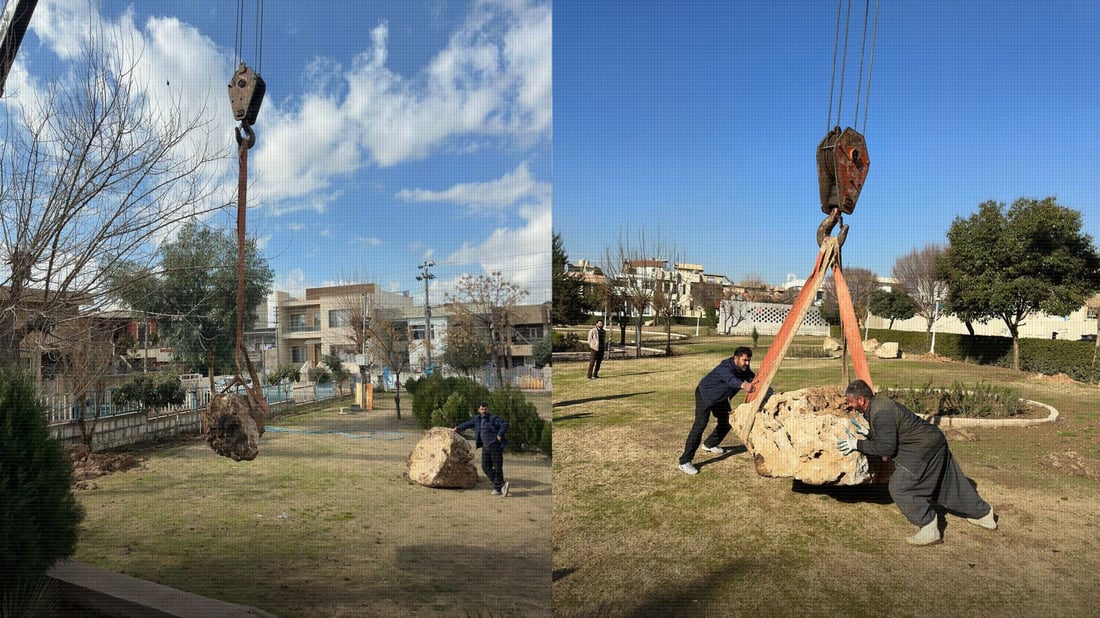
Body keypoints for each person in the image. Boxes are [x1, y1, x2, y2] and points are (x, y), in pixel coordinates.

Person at [838, 379, 997, 545]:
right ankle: (984, 515)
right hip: (933, 440)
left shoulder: (880, 413)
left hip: (923, 448)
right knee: (947, 485)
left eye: (850, 401)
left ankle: (929, 527)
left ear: (861, 400)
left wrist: (857, 444)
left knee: (900, 487)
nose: (849, 405)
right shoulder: (879, 404)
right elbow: (891, 433)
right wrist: (871, 434)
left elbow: (887, 449)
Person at [678, 346, 763, 475]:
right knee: (699, 426)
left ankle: (710, 444)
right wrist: (743, 385)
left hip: (720, 398)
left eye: (748, 361)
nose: (747, 363)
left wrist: (763, 386)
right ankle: (684, 462)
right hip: (705, 395)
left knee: (728, 421)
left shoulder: (743, 369)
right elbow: (731, 380)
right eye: (744, 360)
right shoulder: (725, 367)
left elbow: (753, 379)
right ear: (736, 358)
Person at [455, 402, 510, 497]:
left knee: (497, 467)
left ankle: (498, 488)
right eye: (481, 409)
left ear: (487, 410)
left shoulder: (493, 418)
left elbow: (505, 424)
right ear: (478, 410)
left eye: (485, 409)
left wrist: (500, 434)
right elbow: (468, 424)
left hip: (495, 446)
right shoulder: (477, 419)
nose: (483, 411)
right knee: (485, 466)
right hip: (485, 447)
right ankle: (501, 484)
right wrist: (457, 428)